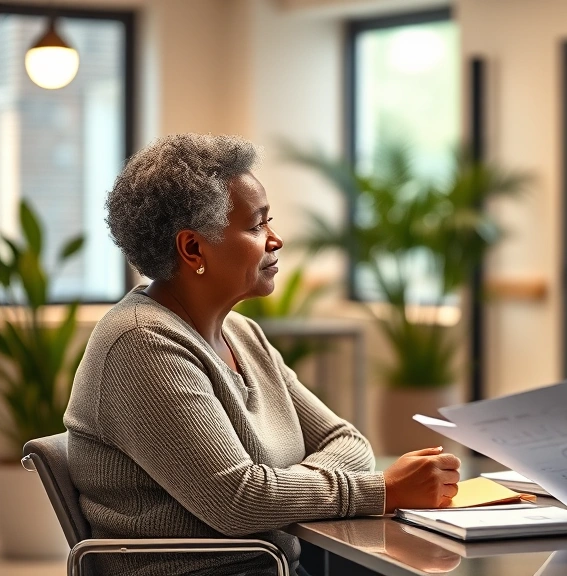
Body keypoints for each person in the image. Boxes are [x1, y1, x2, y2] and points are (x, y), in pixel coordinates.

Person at [64, 133, 461, 576]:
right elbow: (239, 500)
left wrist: (282, 488)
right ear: (193, 248)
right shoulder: (140, 346)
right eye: (256, 226)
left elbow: (346, 443)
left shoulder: (242, 334)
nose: (276, 240)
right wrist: (380, 492)